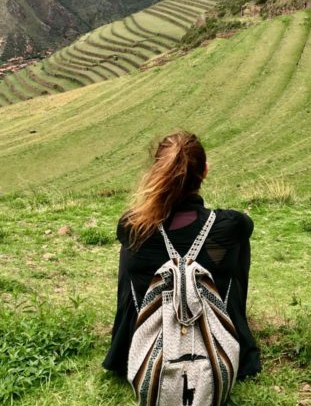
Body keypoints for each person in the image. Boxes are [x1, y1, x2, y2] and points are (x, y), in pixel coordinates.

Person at [103, 130, 260, 380]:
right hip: (213, 347)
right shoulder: (230, 225)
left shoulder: (132, 227)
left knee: (131, 248)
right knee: (235, 246)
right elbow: (243, 230)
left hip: (147, 352)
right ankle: (232, 328)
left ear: (158, 172)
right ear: (205, 171)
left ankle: (127, 343)